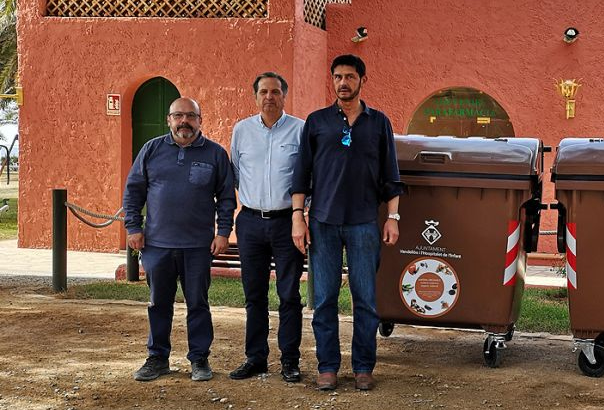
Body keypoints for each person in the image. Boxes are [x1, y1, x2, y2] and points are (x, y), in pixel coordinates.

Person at [291, 54, 403, 392]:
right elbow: (302, 174)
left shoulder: (378, 122)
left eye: (350, 77)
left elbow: (391, 175)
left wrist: (393, 218)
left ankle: (363, 367)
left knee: (365, 299)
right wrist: (299, 217)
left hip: (364, 222)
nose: (343, 83)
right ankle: (327, 367)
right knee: (323, 298)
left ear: (362, 81)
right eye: (338, 76)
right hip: (323, 222)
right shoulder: (317, 121)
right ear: (332, 80)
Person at [123, 97, 236, 382]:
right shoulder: (151, 150)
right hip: (157, 245)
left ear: (200, 119)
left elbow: (225, 197)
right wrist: (133, 228)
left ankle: (199, 359)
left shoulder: (215, 154)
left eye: (190, 116)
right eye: (178, 116)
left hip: (198, 246)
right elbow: (133, 191)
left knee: (198, 303)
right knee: (158, 304)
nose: (184, 121)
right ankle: (157, 358)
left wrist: (223, 232)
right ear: (168, 120)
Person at [228, 72, 305, 382]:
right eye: (263, 92)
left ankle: (290, 360)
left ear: (284, 96)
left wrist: (302, 213)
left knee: (288, 294)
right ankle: (256, 357)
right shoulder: (241, 131)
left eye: (275, 91)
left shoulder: (300, 130)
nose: (269, 97)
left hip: (287, 222)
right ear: (255, 96)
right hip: (249, 222)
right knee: (254, 294)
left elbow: (307, 177)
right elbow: (235, 173)